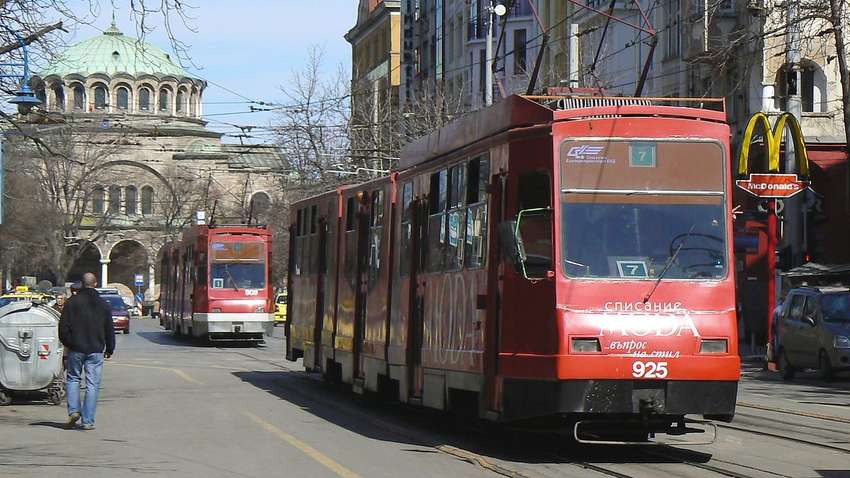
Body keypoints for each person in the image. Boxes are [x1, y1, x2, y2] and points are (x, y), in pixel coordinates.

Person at [58, 272, 115, 430]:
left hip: (76, 349)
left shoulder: (72, 303)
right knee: (92, 384)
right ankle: (88, 421)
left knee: (73, 379)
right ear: (95, 284)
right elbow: (109, 329)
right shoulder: (103, 304)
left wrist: (69, 343)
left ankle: (74, 411)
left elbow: (63, 328)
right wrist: (109, 348)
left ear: (81, 285)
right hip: (96, 350)